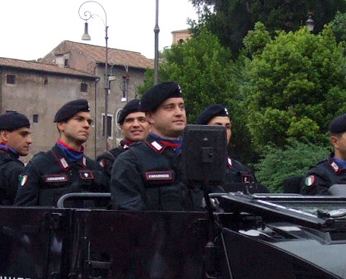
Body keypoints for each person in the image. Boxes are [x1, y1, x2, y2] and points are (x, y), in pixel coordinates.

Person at [109, 81, 194, 211]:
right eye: (170, 107)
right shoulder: (130, 161)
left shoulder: (196, 157)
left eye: (181, 107)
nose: (179, 113)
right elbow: (130, 214)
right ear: (150, 116)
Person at [14, 99, 103, 206]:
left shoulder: (94, 168)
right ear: (61, 125)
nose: (86, 125)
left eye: (89, 122)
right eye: (79, 119)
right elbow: (23, 212)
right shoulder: (39, 166)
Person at [194, 104, 267, 193]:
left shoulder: (242, 171)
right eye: (218, 126)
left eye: (227, 127)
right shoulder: (191, 168)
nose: (224, 132)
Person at [97, 99, 148, 189]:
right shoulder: (109, 159)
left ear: (151, 124)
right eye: (129, 120)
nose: (136, 124)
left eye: (142, 120)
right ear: (121, 126)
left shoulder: (161, 156)